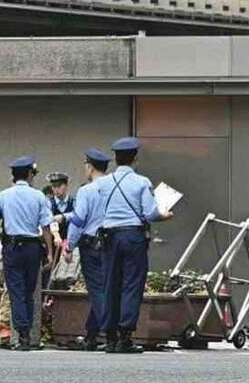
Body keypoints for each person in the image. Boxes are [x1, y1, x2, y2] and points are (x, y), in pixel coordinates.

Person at [98, 136, 173, 354]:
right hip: (133, 237)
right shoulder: (142, 182)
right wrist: (165, 215)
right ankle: (125, 336)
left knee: (110, 284)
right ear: (135, 159)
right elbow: (150, 213)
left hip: (109, 236)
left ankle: (109, 337)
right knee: (131, 284)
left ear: (115, 159)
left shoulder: (103, 183)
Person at [0, 155, 54, 351]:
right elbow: (46, 227)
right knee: (29, 291)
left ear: (13, 176)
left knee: (16, 291)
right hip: (33, 248)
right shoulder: (39, 196)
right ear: (29, 174)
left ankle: (23, 335)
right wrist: (49, 253)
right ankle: (29, 336)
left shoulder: (4, 195)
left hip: (12, 247)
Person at [65, 149, 111, 351]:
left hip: (91, 244)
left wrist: (69, 244)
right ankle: (92, 334)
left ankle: (111, 333)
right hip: (112, 244)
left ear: (90, 167)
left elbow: (79, 219)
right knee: (105, 289)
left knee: (96, 290)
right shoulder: (114, 187)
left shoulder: (86, 190)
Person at [47, 172, 75, 241]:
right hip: (54, 242)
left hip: (71, 242)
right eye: (54, 186)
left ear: (66, 185)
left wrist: (63, 217)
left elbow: (78, 216)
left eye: (59, 186)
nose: (56, 189)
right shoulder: (48, 203)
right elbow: (49, 221)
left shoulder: (74, 202)